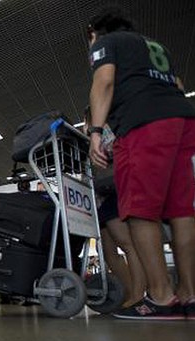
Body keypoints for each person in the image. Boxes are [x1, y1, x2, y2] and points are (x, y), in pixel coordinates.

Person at [87, 7, 195, 319]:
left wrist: (95, 131)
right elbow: (176, 83)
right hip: (181, 119)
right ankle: (189, 293)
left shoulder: (104, 43)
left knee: (138, 210)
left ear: (96, 31)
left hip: (142, 124)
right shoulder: (155, 46)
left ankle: (161, 296)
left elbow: (104, 81)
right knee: (182, 211)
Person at [83, 106, 147, 308]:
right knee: (108, 251)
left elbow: (112, 155)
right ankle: (128, 294)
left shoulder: (106, 130)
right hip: (100, 197)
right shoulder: (92, 135)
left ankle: (138, 294)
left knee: (126, 244)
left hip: (113, 190)